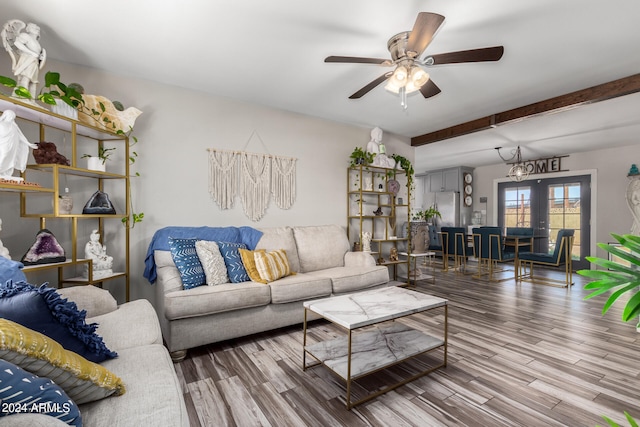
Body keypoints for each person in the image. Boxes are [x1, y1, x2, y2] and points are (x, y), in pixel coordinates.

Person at [2, 20, 46, 99]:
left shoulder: (37, 43)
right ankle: (21, 97)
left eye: (37, 29)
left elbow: (36, 53)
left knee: (33, 82)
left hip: (34, 63)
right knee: (25, 78)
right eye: (34, 28)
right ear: (29, 29)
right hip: (27, 60)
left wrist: (40, 57)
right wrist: (31, 53)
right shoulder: (25, 36)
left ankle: (31, 100)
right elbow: (17, 43)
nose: (37, 29)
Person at [0, 110, 38, 182]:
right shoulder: (1, 124)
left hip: (12, 146)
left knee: (11, 159)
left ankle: (6, 173)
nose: (11, 118)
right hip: (3, 144)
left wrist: (28, 144)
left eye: (12, 117)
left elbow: (21, 136)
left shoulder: (14, 126)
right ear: (5, 116)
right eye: (10, 116)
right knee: (3, 156)